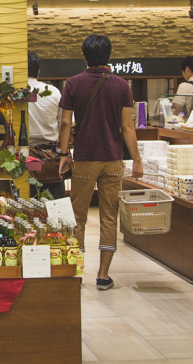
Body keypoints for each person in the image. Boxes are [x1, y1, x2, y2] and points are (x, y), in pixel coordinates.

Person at [58, 35, 143, 292]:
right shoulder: (121, 85)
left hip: (85, 158)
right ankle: (103, 275)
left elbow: (64, 123)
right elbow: (127, 127)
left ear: (84, 56)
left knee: (78, 216)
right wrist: (136, 159)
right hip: (113, 159)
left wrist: (64, 154)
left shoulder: (73, 84)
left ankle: (76, 272)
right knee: (109, 216)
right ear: (109, 55)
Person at [26, 51, 64, 198]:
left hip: (24, 155)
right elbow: (63, 123)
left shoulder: (15, 92)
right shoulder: (54, 91)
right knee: (54, 204)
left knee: (25, 203)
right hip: (50, 158)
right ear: (39, 70)